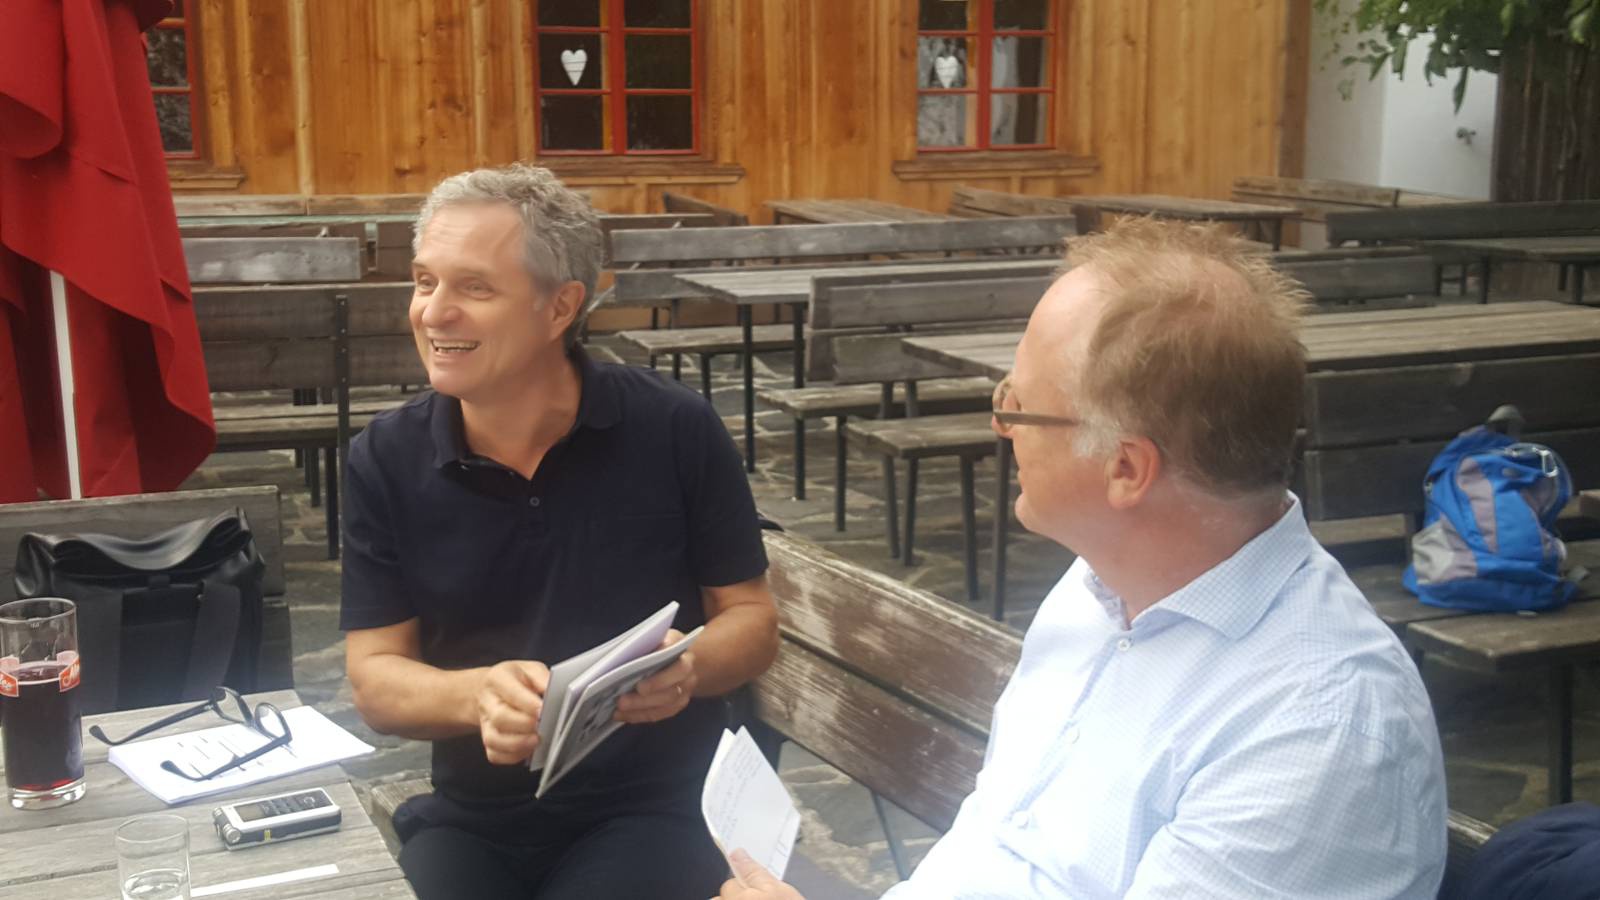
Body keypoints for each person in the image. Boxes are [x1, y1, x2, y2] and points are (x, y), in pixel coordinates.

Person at [720, 218, 1447, 899]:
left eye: (1019, 404)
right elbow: (998, 844)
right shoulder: (1105, 583)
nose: (1000, 424)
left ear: (1126, 469)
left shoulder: (1312, 729)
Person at [338, 163, 778, 900]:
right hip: (475, 815)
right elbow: (376, 681)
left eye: (474, 288)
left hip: (657, 807)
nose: (434, 313)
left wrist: (690, 668)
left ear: (560, 307)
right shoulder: (385, 456)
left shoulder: (673, 427)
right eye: (424, 282)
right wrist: (479, 697)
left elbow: (753, 622)